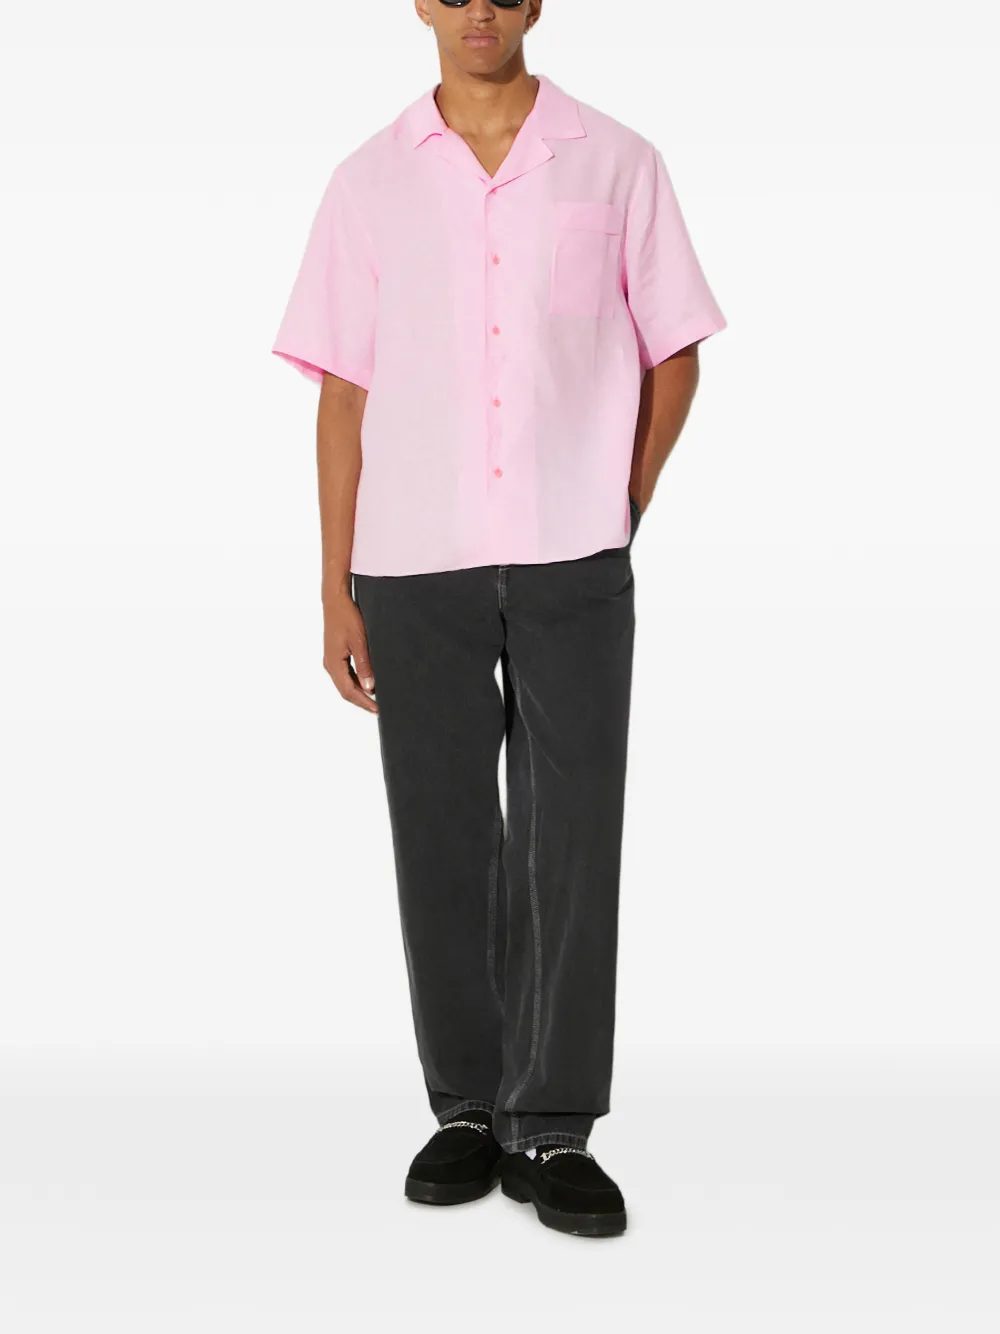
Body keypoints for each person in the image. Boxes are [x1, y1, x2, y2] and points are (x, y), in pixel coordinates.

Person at [271, 0, 726, 1239]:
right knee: (441, 828)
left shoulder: (617, 160)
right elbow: (342, 391)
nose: (478, 4)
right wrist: (334, 585)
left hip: (574, 549)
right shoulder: (367, 182)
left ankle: (553, 1120)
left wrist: (621, 499)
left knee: (572, 833)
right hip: (411, 557)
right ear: (421, 2)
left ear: (535, 2)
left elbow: (675, 349)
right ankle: (468, 1104)